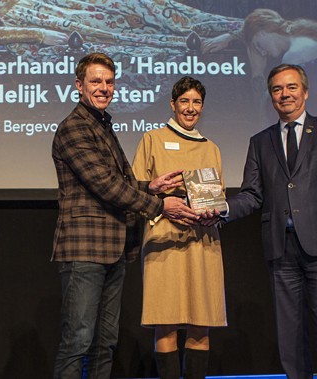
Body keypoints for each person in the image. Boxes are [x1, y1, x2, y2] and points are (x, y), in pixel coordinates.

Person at [51, 52, 198, 379]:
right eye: (95, 81)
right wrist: (160, 205)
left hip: (112, 249)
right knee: (77, 340)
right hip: (84, 252)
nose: (103, 87)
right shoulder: (73, 128)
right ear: (79, 85)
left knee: (105, 343)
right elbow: (104, 184)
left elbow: (122, 181)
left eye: (109, 81)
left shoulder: (103, 125)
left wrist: (152, 187)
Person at [226, 64, 317, 379]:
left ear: (305, 91)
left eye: (291, 87)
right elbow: (251, 195)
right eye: (277, 89)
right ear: (270, 96)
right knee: (289, 336)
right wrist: (221, 209)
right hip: (282, 249)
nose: (284, 94)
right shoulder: (260, 141)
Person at [132, 76, 227, 379]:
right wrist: (162, 202)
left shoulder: (211, 148)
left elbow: (220, 197)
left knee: (202, 321)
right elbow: (134, 192)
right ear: (173, 104)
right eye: (184, 101)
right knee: (166, 320)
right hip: (164, 240)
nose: (190, 108)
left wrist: (216, 212)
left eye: (196, 102)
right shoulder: (153, 139)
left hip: (203, 241)